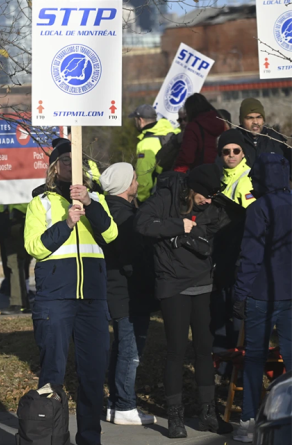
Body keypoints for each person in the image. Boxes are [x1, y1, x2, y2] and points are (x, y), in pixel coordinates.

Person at [23, 141, 118, 445]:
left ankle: (90, 438)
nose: (70, 166)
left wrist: (89, 203)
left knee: (92, 376)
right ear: (53, 167)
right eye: (64, 160)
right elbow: (34, 247)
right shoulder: (42, 202)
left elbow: (111, 234)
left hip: (92, 298)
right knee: (53, 375)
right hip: (55, 297)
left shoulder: (96, 199)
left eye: (76, 160)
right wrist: (66, 224)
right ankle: (49, 438)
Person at [134, 164, 232, 438]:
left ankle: (208, 414)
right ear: (194, 189)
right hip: (172, 284)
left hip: (202, 283)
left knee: (204, 349)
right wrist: (179, 226)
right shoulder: (166, 198)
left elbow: (220, 235)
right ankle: (175, 417)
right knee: (176, 351)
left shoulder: (212, 206)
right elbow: (142, 223)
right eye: (205, 195)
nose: (208, 201)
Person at [231, 153, 292, 443]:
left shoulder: (259, 209)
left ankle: (249, 422)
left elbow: (251, 255)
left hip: (262, 294)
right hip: (290, 294)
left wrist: (239, 293)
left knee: (254, 359)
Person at [98, 163, 156, 426]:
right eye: (134, 177)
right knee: (130, 350)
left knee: (121, 347)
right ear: (126, 185)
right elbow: (133, 259)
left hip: (114, 289)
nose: (137, 181)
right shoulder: (125, 217)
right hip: (128, 291)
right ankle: (124, 405)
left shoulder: (108, 209)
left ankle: (115, 403)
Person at [211, 130, 254, 377]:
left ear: (243, 153)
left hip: (237, 256)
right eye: (226, 151)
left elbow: (250, 221)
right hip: (222, 255)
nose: (231, 155)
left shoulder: (245, 179)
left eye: (236, 151)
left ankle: (237, 371)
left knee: (236, 315)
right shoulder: (222, 177)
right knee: (220, 312)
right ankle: (223, 369)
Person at [129, 104, 180, 203]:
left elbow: (144, 175)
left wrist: (142, 199)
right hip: (175, 189)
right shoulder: (172, 133)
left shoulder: (146, 144)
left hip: (157, 195)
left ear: (141, 120)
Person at [173, 93, 227, 173]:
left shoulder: (193, 126)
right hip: (223, 169)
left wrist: (177, 171)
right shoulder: (221, 121)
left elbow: (187, 156)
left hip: (202, 172)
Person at [236, 98, 292, 168]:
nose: (255, 122)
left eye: (259, 117)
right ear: (241, 121)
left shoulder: (276, 140)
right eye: (250, 118)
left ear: (263, 120)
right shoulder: (233, 140)